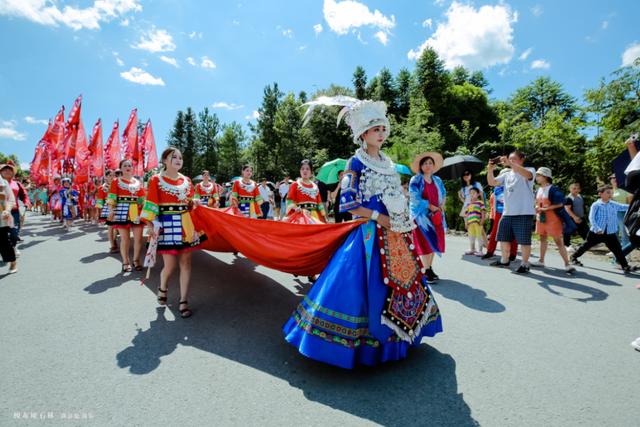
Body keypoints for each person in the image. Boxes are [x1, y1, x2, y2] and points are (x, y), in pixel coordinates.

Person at [284, 99, 442, 369]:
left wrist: (402, 213)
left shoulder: (389, 164)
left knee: (402, 283)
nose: (381, 133)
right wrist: (378, 216)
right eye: (374, 129)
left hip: (396, 234)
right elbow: (347, 203)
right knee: (361, 287)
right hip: (369, 236)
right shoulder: (355, 162)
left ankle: (398, 340)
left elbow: (397, 195)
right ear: (362, 134)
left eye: (383, 128)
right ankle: (360, 346)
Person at [141, 147, 205, 319]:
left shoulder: (187, 180)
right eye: (173, 157)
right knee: (170, 265)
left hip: (186, 225)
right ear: (164, 160)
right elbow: (151, 204)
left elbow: (189, 202)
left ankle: (183, 300)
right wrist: (150, 223)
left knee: (186, 263)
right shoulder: (156, 180)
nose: (178, 160)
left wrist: (194, 202)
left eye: (180, 157)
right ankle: (163, 287)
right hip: (166, 225)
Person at [487, 151, 536, 274]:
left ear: (522, 159)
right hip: (507, 212)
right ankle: (504, 260)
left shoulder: (530, 170)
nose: (511, 161)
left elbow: (528, 175)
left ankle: (524, 264)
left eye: (514, 159)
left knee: (524, 240)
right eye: (510, 159)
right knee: (503, 238)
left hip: (524, 212)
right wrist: (490, 169)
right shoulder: (507, 174)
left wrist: (509, 163)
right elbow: (492, 182)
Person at [570, 185, 631, 274]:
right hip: (597, 232)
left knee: (617, 249)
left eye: (611, 192)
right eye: (608, 192)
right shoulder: (596, 205)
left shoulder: (613, 204)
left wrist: (635, 205)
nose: (610, 194)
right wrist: (597, 228)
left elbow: (623, 207)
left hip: (610, 232)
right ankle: (573, 257)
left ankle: (625, 266)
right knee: (586, 246)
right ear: (600, 194)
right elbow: (591, 218)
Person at [409, 151, 447, 282]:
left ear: (434, 165)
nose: (428, 165)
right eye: (425, 163)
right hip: (421, 218)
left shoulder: (437, 180)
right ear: (420, 166)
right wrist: (429, 205)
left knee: (434, 243)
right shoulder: (416, 180)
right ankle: (426, 270)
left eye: (430, 163)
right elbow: (414, 198)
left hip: (436, 216)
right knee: (425, 242)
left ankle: (428, 268)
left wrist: (441, 205)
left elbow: (443, 194)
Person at [530, 168, 576, 274]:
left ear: (545, 177)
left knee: (558, 241)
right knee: (542, 238)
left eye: (538, 175)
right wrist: (537, 207)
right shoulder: (538, 189)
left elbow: (560, 203)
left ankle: (567, 264)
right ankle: (541, 261)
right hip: (541, 218)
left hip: (553, 219)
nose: (536, 178)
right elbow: (537, 202)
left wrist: (545, 209)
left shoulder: (553, 189)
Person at [107, 159, 146, 272]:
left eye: (129, 165)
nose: (128, 167)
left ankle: (136, 260)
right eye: (125, 165)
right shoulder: (116, 181)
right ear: (121, 168)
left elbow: (142, 200)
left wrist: (146, 212)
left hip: (136, 213)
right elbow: (112, 197)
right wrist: (111, 210)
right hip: (121, 212)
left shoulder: (138, 182)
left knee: (138, 239)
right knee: (125, 239)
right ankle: (125, 261)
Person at [482, 171, 518, 260]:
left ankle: (512, 254)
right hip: (498, 212)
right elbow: (495, 202)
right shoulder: (497, 188)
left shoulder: (513, 186)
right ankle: (490, 251)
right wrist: (493, 213)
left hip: (511, 212)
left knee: (512, 233)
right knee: (494, 233)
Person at [1, 161, 29, 251]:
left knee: (14, 233)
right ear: (1, 172)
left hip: (14, 211)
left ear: (13, 172)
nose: (7, 171)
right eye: (4, 170)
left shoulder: (17, 184)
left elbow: (24, 195)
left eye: (9, 170)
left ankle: (12, 247)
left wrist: (26, 203)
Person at [96, 170, 119, 253]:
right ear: (106, 177)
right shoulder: (102, 188)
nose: (112, 177)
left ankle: (115, 240)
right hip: (108, 208)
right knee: (110, 228)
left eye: (113, 175)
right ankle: (112, 245)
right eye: (109, 175)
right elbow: (100, 201)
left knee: (116, 227)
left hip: (117, 207)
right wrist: (98, 213)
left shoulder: (118, 185)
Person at [563, 183, 589, 249]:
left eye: (578, 189)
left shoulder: (580, 197)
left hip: (581, 217)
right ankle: (566, 245)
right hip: (571, 218)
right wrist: (575, 217)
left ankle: (589, 243)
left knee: (585, 231)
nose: (576, 190)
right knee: (568, 232)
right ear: (570, 189)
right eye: (574, 188)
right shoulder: (568, 198)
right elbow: (567, 209)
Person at [0, 174, 17, 274]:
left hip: (2, 217)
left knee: (3, 242)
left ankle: (13, 262)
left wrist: (7, 209)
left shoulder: (3, 182)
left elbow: (11, 199)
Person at [610, 174, 632, 249]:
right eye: (612, 178)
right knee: (613, 234)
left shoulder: (625, 189)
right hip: (612, 214)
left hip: (622, 213)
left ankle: (626, 251)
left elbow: (629, 204)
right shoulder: (609, 191)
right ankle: (616, 251)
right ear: (610, 180)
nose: (614, 179)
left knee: (624, 233)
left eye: (616, 177)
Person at [464, 187, 485, 256]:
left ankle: (480, 251)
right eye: (470, 193)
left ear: (478, 194)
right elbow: (466, 215)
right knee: (471, 237)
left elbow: (483, 212)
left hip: (477, 223)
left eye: (473, 193)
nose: (472, 194)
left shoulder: (480, 203)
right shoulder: (468, 204)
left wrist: (482, 220)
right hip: (470, 223)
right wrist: (466, 223)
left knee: (479, 237)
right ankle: (472, 249)